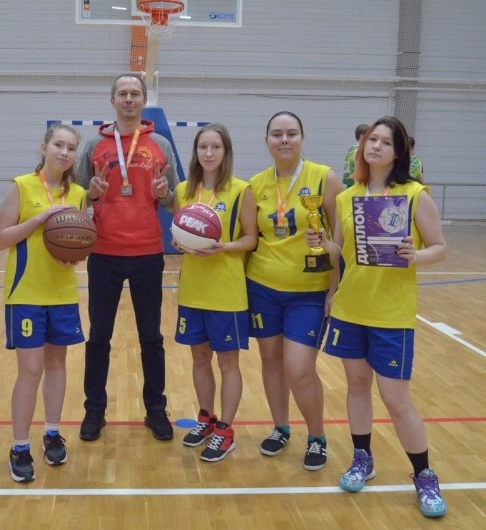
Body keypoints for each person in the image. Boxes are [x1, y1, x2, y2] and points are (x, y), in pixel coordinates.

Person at [307, 116, 448, 518]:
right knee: (356, 387)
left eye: (386, 142)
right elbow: (340, 250)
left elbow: (439, 247)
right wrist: (323, 243)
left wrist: (415, 256)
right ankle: (362, 459)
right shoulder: (346, 197)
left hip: (391, 314)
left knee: (396, 399)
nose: (376, 146)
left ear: (398, 152)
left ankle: (424, 475)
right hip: (352, 308)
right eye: (372, 140)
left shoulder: (415, 195)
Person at [76, 73, 179, 442]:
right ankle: (94, 410)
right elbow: (78, 197)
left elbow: (173, 200)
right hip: (104, 253)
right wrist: (91, 194)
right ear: (113, 101)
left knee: (151, 336)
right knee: (98, 337)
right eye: (123, 93)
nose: (129, 99)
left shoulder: (161, 144)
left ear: (144, 100)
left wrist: (164, 195)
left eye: (135, 93)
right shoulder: (93, 145)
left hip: (148, 252)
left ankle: (156, 410)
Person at [246, 111, 344, 470]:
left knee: (299, 368)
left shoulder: (324, 178)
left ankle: (317, 436)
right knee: (271, 361)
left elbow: (343, 240)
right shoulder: (255, 185)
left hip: (309, 292)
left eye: (291, 133)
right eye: (277, 134)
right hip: (263, 287)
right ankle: (280, 427)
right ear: (267, 141)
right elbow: (250, 239)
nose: (284, 140)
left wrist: (334, 290)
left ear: (302, 138)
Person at [0, 124, 87, 482]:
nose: (64, 152)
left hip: (62, 293)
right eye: (58, 145)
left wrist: (75, 255)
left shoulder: (78, 193)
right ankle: (19, 446)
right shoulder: (21, 186)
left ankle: (51, 432)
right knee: (30, 371)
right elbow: (2, 239)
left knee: (57, 366)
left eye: (71, 148)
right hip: (26, 294)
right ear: (44, 147)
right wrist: (38, 219)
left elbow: (79, 240)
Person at [173, 123, 257, 461]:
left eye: (215, 147)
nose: (208, 153)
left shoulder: (241, 189)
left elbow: (251, 238)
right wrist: (180, 243)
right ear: (195, 152)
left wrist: (224, 247)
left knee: (228, 363)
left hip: (226, 291)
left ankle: (226, 429)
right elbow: (180, 234)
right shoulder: (183, 190)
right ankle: (206, 418)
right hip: (193, 289)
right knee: (199, 359)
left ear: (226, 152)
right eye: (203, 147)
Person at [342, 123, 369, 188]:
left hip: (349, 184)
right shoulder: (360, 151)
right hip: (356, 185)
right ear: (362, 136)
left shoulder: (352, 148)